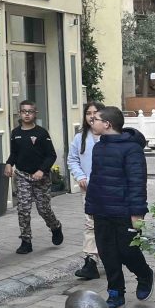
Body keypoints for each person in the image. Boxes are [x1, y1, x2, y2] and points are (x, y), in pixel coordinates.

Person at [86, 106, 153, 308]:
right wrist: (91, 206)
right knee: (107, 253)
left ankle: (144, 274)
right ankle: (116, 293)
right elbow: (96, 180)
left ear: (107, 124)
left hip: (124, 212)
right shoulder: (99, 147)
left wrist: (137, 213)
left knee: (127, 251)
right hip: (102, 210)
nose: (92, 121)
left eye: (96, 119)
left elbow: (137, 182)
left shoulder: (132, 149)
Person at [4, 100, 63, 254]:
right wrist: (9, 163)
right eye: (24, 111)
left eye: (30, 111)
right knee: (23, 208)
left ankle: (55, 226)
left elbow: (51, 155)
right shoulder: (15, 133)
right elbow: (15, 154)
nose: (27, 114)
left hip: (40, 177)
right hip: (23, 175)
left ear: (35, 114)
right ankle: (26, 240)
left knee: (43, 209)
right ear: (19, 113)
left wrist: (42, 170)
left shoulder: (41, 133)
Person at [67, 101, 104, 280]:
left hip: (108, 189)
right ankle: (91, 261)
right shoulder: (80, 137)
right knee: (90, 223)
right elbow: (72, 159)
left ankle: (109, 254)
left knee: (107, 223)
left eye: (95, 113)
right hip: (88, 188)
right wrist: (80, 176)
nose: (91, 116)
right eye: (88, 113)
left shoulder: (109, 136)